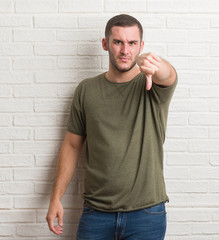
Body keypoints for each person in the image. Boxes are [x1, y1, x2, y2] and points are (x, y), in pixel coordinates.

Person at [46, 14, 177, 240]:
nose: (125, 50)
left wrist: (155, 64)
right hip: (96, 213)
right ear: (106, 44)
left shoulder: (151, 85)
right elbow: (72, 145)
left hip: (146, 213)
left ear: (141, 46)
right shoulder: (86, 90)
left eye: (132, 43)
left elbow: (169, 76)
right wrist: (56, 197)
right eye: (118, 42)